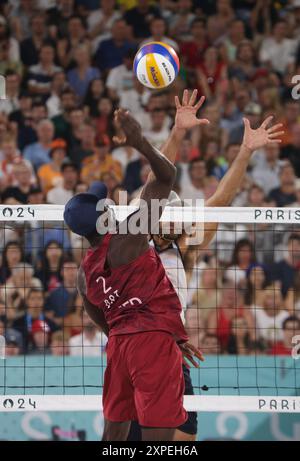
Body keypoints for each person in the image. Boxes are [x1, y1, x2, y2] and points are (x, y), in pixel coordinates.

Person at [65, 109, 202, 441]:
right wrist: (140, 142)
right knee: (160, 439)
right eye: (104, 201)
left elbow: (103, 321)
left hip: (120, 347)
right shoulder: (131, 235)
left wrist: (148, 328)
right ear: (104, 214)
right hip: (152, 342)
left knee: (114, 432)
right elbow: (165, 177)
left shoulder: (84, 275)